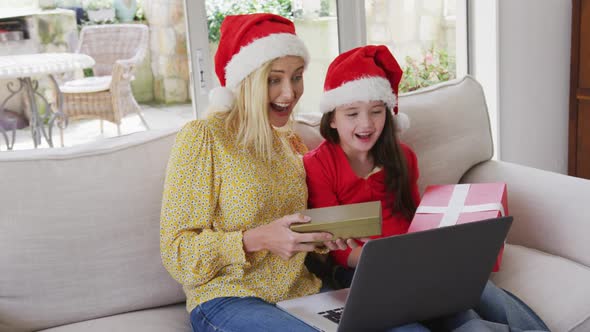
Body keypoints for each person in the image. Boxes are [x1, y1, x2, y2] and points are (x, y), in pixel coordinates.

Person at [303, 45, 550, 331]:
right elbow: (337, 248)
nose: (366, 123)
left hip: (417, 260)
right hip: (360, 271)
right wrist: (387, 260)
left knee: (477, 297)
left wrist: (433, 251)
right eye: (352, 114)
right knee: (461, 318)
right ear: (332, 118)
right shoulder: (318, 165)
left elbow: (418, 219)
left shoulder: (402, 156)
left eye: (376, 111)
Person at [160, 13, 345, 332]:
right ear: (245, 82)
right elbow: (177, 253)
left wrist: (327, 238)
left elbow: (299, 229)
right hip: (228, 297)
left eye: (297, 76)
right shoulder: (205, 137)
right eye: (274, 79)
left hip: (302, 292)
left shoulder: (290, 141)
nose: (289, 93)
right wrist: (255, 239)